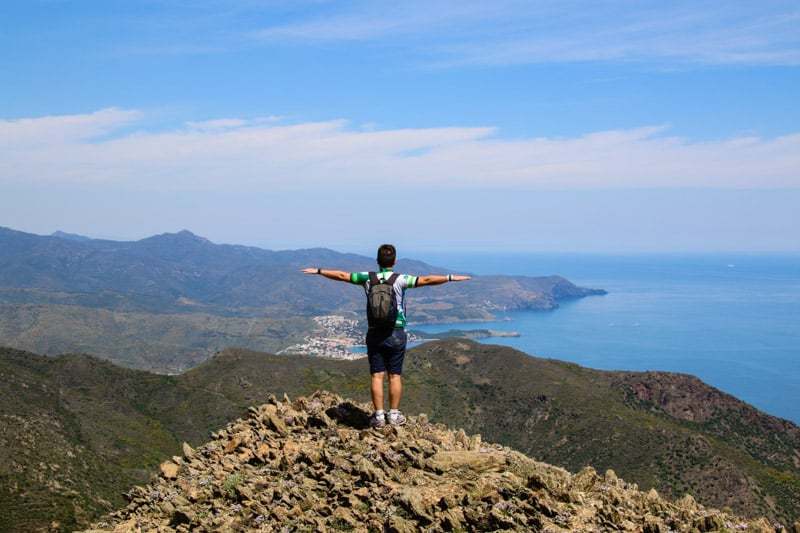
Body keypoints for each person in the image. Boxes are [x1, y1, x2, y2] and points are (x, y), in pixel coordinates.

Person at [301, 244, 471, 428]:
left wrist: (319, 271)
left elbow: (342, 276)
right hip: (396, 332)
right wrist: (450, 277)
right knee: (395, 376)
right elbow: (427, 279)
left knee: (376, 376)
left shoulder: (367, 278)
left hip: (375, 332)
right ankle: (394, 415)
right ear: (395, 261)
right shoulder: (401, 279)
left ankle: (379, 416)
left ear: (377, 261)